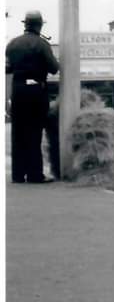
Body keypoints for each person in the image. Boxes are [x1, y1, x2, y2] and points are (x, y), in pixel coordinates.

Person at [5, 10, 59, 183]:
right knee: (34, 134)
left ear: (25, 24)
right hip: (36, 91)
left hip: (18, 90)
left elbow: (7, 68)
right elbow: (53, 68)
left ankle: (18, 175)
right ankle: (35, 174)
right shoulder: (42, 44)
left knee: (18, 133)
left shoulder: (12, 44)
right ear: (39, 25)